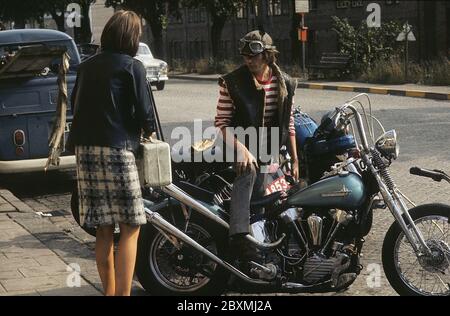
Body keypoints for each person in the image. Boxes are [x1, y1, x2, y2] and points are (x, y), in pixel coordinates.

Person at [66, 10, 155, 296]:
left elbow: (75, 106)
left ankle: (110, 293)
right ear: (131, 37)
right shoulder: (133, 66)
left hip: (85, 153)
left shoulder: (87, 66)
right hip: (117, 151)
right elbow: (145, 112)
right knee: (131, 226)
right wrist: (148, 131)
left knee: (103, 229)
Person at [214, 30, 299, 270]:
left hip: (269, 148)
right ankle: (239, 237)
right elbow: (221, 123)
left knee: (280, 191)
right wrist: (242, 149)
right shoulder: (232, 82)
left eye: (253, 56)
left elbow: (289, 123)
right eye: (244, 57)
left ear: (268, 55)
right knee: (249, 171)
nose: (248, 61)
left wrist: (295, 159)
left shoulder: (285, 83)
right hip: (238, 145)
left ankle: (278, 242)